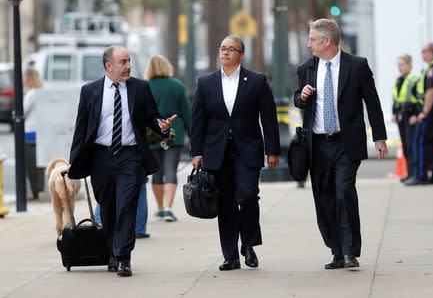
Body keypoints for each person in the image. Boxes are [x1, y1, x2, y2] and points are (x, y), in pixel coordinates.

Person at [68, 45, 176, 277]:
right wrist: (74, 161)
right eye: (123, 62)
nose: (128, 66)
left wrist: (162, 127)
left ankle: (123, 257)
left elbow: (152, 117)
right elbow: (81, 128)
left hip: (130, 155)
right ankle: (112, 253)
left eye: (128, 62)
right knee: (107, 207)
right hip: (101, 156)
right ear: (109, 66)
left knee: (127, 204)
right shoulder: (90, 91)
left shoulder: (140, 87)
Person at [294, 19, 388, 269]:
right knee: (324, 199)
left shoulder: (357, 66)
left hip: (346, 143)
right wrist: (301, 96)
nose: (309, 44)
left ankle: (350, 252)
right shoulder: (306, 68)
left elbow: (372, 102)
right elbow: (297, 99)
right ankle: (335, 250)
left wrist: (379, 136)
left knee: (344, 192)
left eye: (313, 39)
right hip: (318, 144)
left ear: (327, 41)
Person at [191, 35, 281, 271]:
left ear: (241, 54)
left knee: (248, 196)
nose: (225, 52)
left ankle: (249, 244)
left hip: (248, 150)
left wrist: (273, 150)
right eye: (222, 48)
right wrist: (197, 152)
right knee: (226, 203)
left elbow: (269, 118)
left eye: (231, 49)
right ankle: (230, 255)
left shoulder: (257, 81)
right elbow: (198, 120)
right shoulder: (206, 82)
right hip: (217, 152)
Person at [143, 55, 191, 222]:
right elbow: (186, 112)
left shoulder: (145, 86)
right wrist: (192, 134)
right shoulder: (177, 86)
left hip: (151, 133)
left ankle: (160, 208)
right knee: (171, 170)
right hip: (174, 132)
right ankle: (169, 208)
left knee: (157, 172)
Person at [405, 42, 433, 185]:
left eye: (424, 51)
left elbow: (431, 91)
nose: (422, 54)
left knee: (421, 142)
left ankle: (421, 175)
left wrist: (424, 112)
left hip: (431, 111)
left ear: (432, 52)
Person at [391, 55, 420, 183]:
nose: (400, 67)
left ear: (409, 65)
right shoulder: (399, 80)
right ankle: (410, 173)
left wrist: (416, 115)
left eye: (402, 64)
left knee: (412, 145)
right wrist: (394, 113)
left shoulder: (414, 80)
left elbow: (420, 100)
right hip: (401, 116)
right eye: (398, 64)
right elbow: (396, 99)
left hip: (411, 116)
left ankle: (416, 174)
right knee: (406, 146)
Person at [23, 67, 45, 200]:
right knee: (38, 165)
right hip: (39, 132)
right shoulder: (41, 92)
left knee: (30, 165)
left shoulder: (31, 93)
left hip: (29, 132)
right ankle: (38, 189)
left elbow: (22, 112)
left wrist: (15, 113)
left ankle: (35, 192)